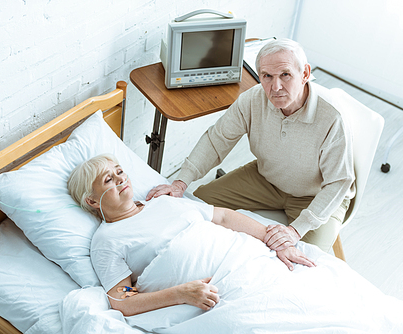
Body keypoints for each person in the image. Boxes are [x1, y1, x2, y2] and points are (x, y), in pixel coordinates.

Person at [146, 38, 355, 253]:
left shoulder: (332, 116)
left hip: (316, 194)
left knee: (305, 258)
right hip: (267, 178)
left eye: (285, 74)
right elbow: (216, 140)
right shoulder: (253, 99)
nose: (276, 87)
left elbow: (339, 182)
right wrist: (180, 182)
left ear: (304, 74)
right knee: (199, 204)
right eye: (267, 76)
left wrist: (295, 230)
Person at [67, 154, 315, 317]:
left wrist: (276, 241)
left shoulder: (162, 202)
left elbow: (223, 217)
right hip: (215, 295)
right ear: (91, 200)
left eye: (120, 171)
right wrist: (181, 294)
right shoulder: (106, 240)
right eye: (109, 179)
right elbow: (122, 298)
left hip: (248, 262)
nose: (120, 179)